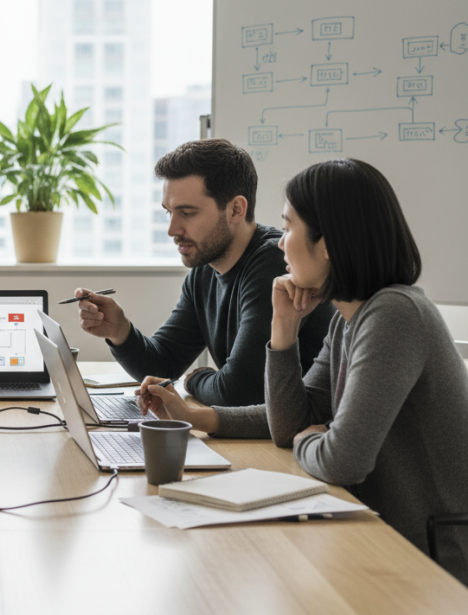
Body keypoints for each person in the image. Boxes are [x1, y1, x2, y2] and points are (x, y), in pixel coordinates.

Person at [139, 158, 468, 583]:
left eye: (289, 227)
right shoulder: (348, 318)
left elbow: (341, 462)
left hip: (431, 561)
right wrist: (283, 331)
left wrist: (312, 437)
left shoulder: (395, 314)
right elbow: (289, 423)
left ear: (327, 243)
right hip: (378, 536)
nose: (280, 243)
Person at [77, 138, 333, 406]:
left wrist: (193, 379)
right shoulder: (205, 270)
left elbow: (240, 391)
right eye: (169, 213)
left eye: (187, 213)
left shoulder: (274, 262)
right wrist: (120, 332)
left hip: (292, 437)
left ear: (236, 209)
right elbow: (164, 363)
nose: (172, 230)